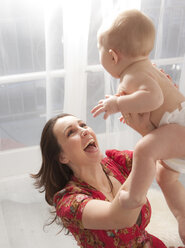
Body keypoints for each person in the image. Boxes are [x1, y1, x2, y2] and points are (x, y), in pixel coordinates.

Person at [91, 9, 185, 243]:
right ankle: (182, 214)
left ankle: (134, 197)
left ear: (113, 56)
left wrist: (117, 103)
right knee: (165, 175)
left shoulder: (133, 75)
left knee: (145, 149)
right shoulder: (144, 68)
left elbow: (154, 99)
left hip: (179, 126)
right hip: (173, 127)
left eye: (99, 52)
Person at [31, 112, 167, 247]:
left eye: (83, 125)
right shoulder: (69, 202)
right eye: (71, 132)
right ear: (62, 157)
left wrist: (147, 129)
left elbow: (165, 157)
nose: (84, 131)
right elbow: (121, 218)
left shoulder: (117, 161)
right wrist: (145, 152)